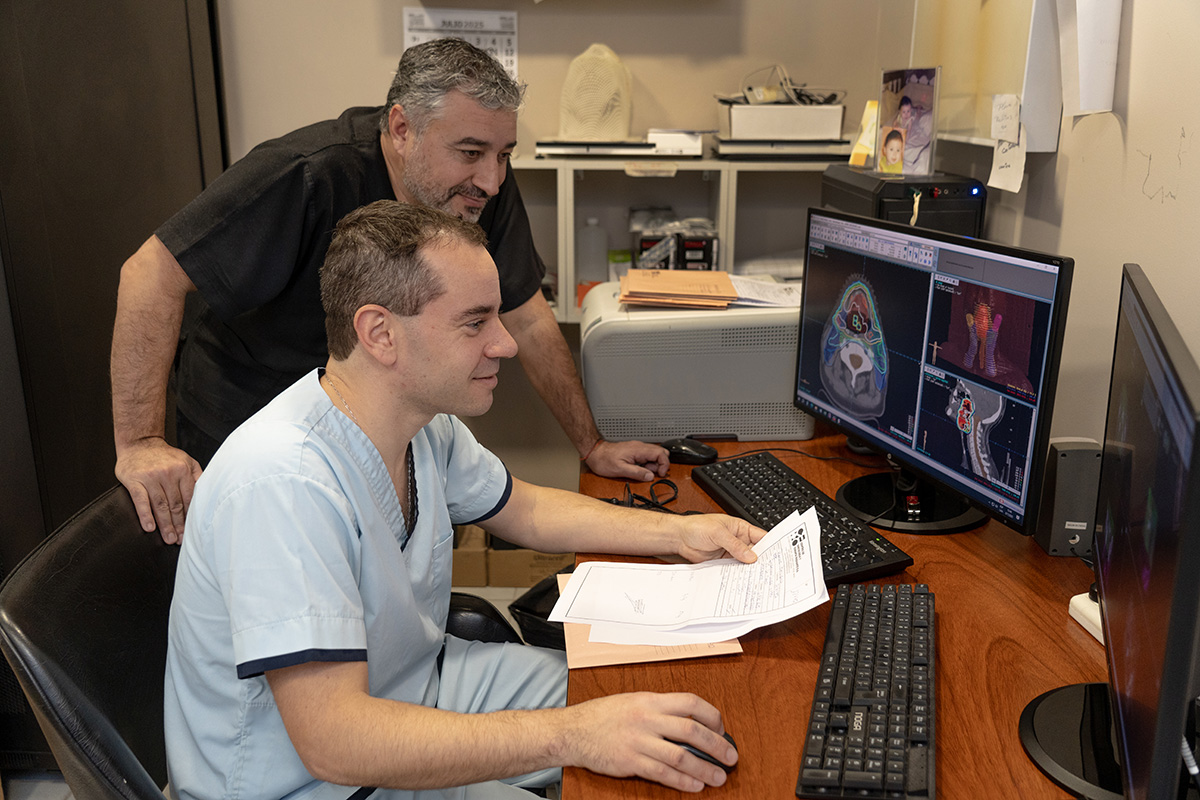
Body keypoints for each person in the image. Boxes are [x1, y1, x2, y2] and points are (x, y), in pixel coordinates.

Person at [164, 201, 764, 800]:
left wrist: (680, 533)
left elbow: (527, 510)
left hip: (422, 685)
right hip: (316, 779)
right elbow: (334, 740)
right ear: (380, 334)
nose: (506, 344)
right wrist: (574, 735)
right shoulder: (284, 483)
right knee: (605, 737)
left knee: (663, 710)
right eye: (475, 323)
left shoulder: (423, 425)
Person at [112, 38, 668, 544]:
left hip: (369, 417)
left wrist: (591, 445)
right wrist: (141, 444)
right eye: (470, 152)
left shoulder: (478, 187)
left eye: (504, 155)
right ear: (402, 129)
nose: (492, 180)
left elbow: (527, 315)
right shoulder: (307, 174)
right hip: (251, 413)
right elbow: (150, 273)